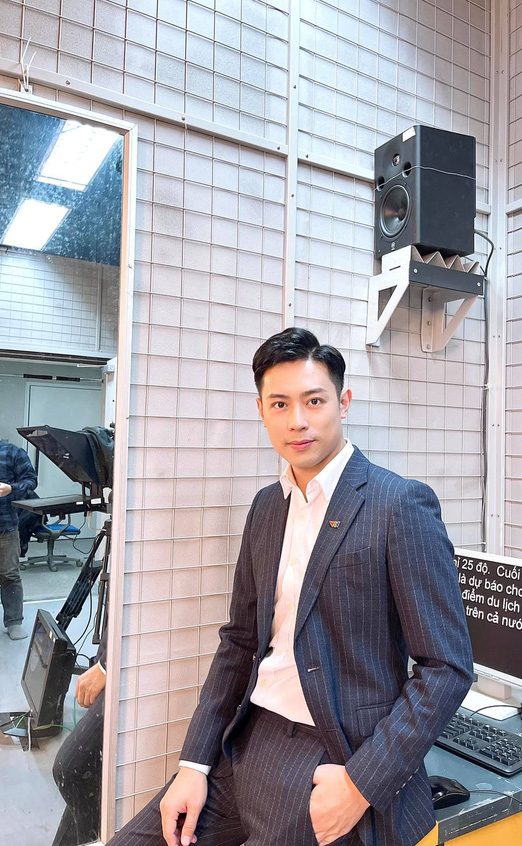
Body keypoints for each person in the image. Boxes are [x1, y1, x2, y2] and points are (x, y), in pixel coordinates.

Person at [108, 327, 472, 846]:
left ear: (343, 403)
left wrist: (360, 784)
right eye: (279, 404)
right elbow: (239, 641)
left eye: (314, 401)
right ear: (262, 411)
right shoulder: (266, 507)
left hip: (333, 754)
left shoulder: (399, 504)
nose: (297, 420)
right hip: (245, 740)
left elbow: (446, 667)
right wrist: (194, 763)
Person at [51, 631, 107, 846]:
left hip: (132, 665)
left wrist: (106, 665)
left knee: (72, 768)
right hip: (115, 650)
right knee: (86, 779)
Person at [0, 437, 37, 640]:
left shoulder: (12, 452)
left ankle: (14, 622)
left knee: (9, 575)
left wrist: (11, 489)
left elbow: (31, 481)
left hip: (6, 527)